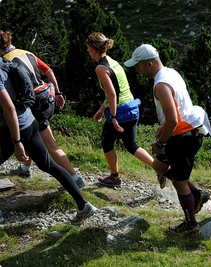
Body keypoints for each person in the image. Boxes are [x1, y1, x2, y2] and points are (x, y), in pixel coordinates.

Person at [124, 44, 211, 237]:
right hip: (186, 130)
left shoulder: (161, 85)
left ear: (149, 64)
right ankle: (197, 195)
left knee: (180, 182)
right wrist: (165, 126)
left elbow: (173, 119)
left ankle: (191, 225)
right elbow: (180, 105)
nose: (137, 70)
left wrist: (161, 144)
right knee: (159, 167)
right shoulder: (171, 73)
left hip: (184, 137)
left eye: (138, 66)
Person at [0, 53, 96, 225]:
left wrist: (16, 142)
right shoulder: (5, 63)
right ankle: (84, 205)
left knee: (47, 162)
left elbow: (9, 108)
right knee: (48, 164)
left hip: (14, 129)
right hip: (30, 122)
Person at [0, 30, 85, 191]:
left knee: (50, 145)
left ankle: (75, 178)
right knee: (32, 136)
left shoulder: (4, 61)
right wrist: (59, 93)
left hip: (35, 105)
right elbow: (49, 71)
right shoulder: (26, 52)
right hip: (48, 98)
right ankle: (25, 169)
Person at [86, 32, 154, 188]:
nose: (87, 51)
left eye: (88, 48)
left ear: (94, 48)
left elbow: (112, 93)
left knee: (106, 142)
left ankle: (115, 177)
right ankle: (159, 169)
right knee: (131, 145)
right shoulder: (112, 62)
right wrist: (102, 109)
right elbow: (116, 90)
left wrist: (114, 117)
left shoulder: (100, 68)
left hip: (120, 111)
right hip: (131, 107)